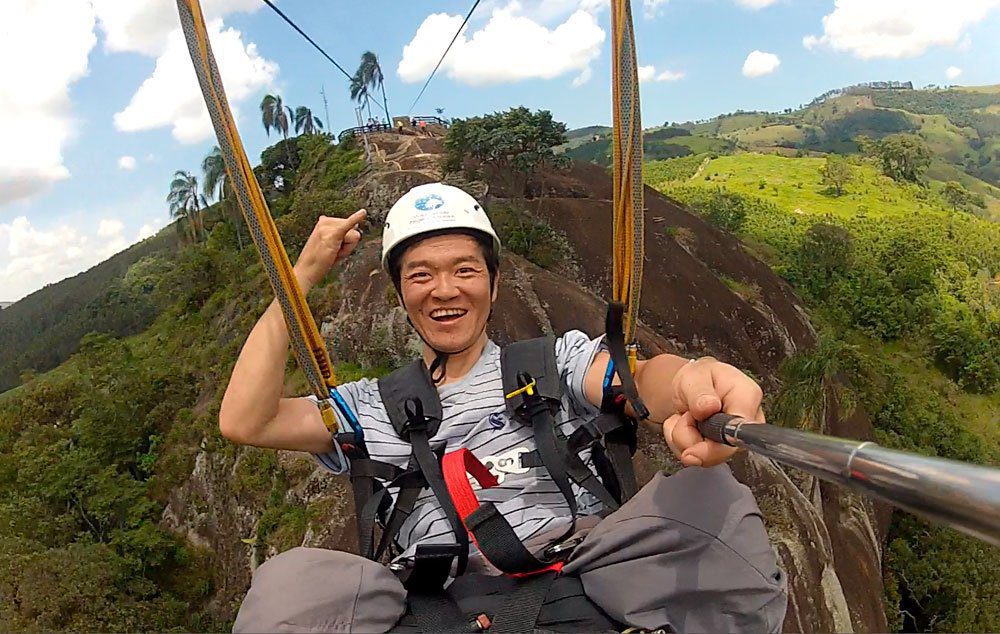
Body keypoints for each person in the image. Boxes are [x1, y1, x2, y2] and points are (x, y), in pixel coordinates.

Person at [220, 183, 787, 633]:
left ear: (493, 284)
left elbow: (635, 380)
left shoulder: (550, 363)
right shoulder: (367, 405)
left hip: (579, 574)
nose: (444, 289)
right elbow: (246, 420)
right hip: (430, 601)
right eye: (421, 275)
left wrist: (691, 378)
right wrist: (301, 276)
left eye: (465, 269)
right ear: (401, 297)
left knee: (716, 504)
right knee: (284, 590)